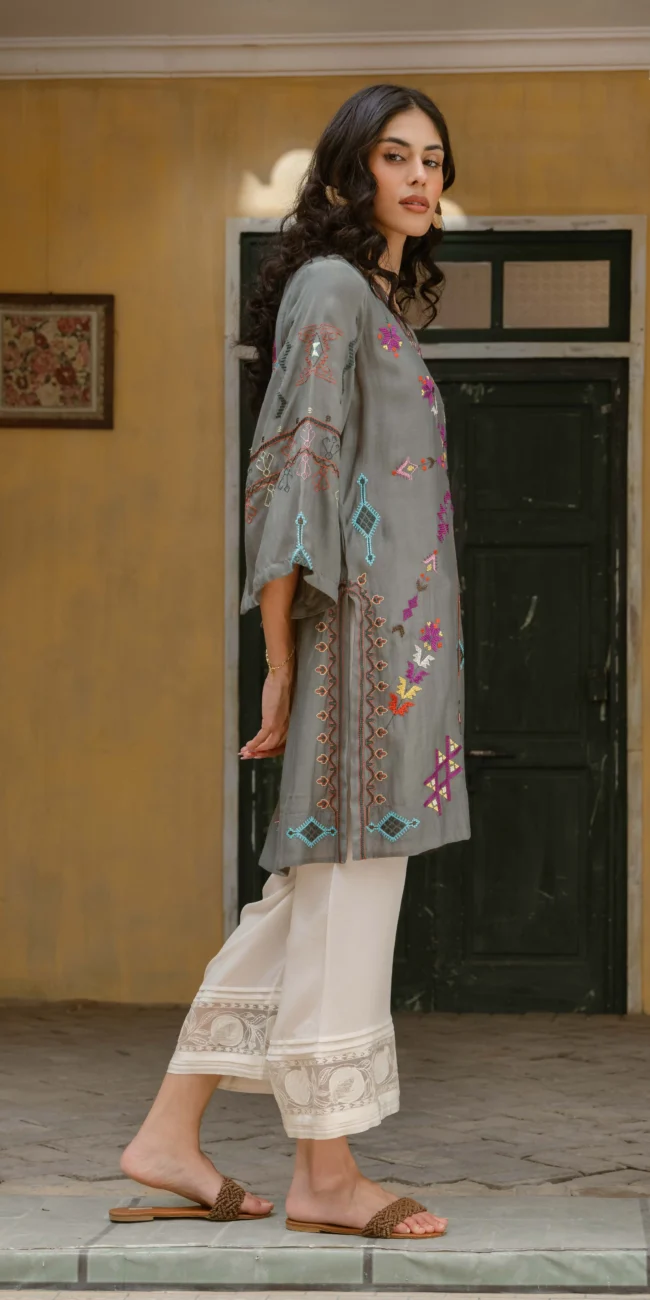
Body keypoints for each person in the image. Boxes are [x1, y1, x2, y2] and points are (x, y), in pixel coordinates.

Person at [113, 82, 470, 1241]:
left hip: (396, 654)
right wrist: (275, 655)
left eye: (432, 159)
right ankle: (325, 1173)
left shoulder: (371, 301)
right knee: (346, 900)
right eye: (394, 156)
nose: (418, 177)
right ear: (348, 172)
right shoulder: (331, 288)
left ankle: (168, 1134)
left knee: (310, 896)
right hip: (358, 653)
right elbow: (293, 466)